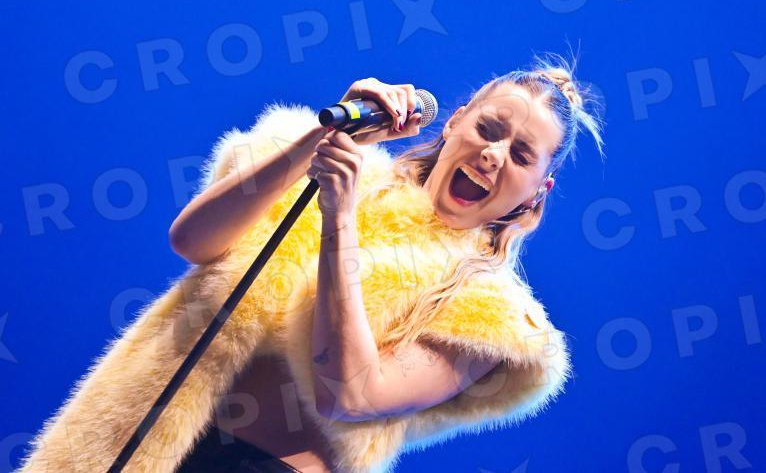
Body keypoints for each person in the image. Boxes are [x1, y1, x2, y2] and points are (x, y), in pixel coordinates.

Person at [18, 52, 604, 473]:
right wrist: (321, 139)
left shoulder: (494, 314)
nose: (493, 154)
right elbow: (193, 239)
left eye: (520, 154)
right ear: (455, 122)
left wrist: (339, 221)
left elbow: (350, 395)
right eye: (488, 129)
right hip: (134, 439)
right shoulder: (342, 173)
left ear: (538, 190)